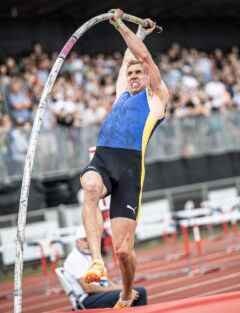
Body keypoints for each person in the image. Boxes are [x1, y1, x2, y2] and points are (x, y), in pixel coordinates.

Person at [79, 9, 169, 308]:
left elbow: (143, 59)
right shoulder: (122, 95)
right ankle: (95, 262)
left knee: (123, 250)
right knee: (89, 186)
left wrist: (119, 24)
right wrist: (139, 33)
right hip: (104, 158)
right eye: (129, 73)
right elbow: (129, 61)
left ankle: (128, 293)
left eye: (137, 73)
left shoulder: (155, 98)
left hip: (130, 169)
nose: (132, 75)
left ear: (148, 76)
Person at [63, 227, 147, 309]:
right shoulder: (74, 258)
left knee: (140, 291)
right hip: (86, 299)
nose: (88, 243)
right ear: (77, 242)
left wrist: (122, 288)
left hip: (99, 293)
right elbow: (87, 288)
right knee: (126, 296)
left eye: (90, 239)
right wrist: (121, 290)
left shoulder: (91, 255)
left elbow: (105, 280)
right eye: (85, 240)